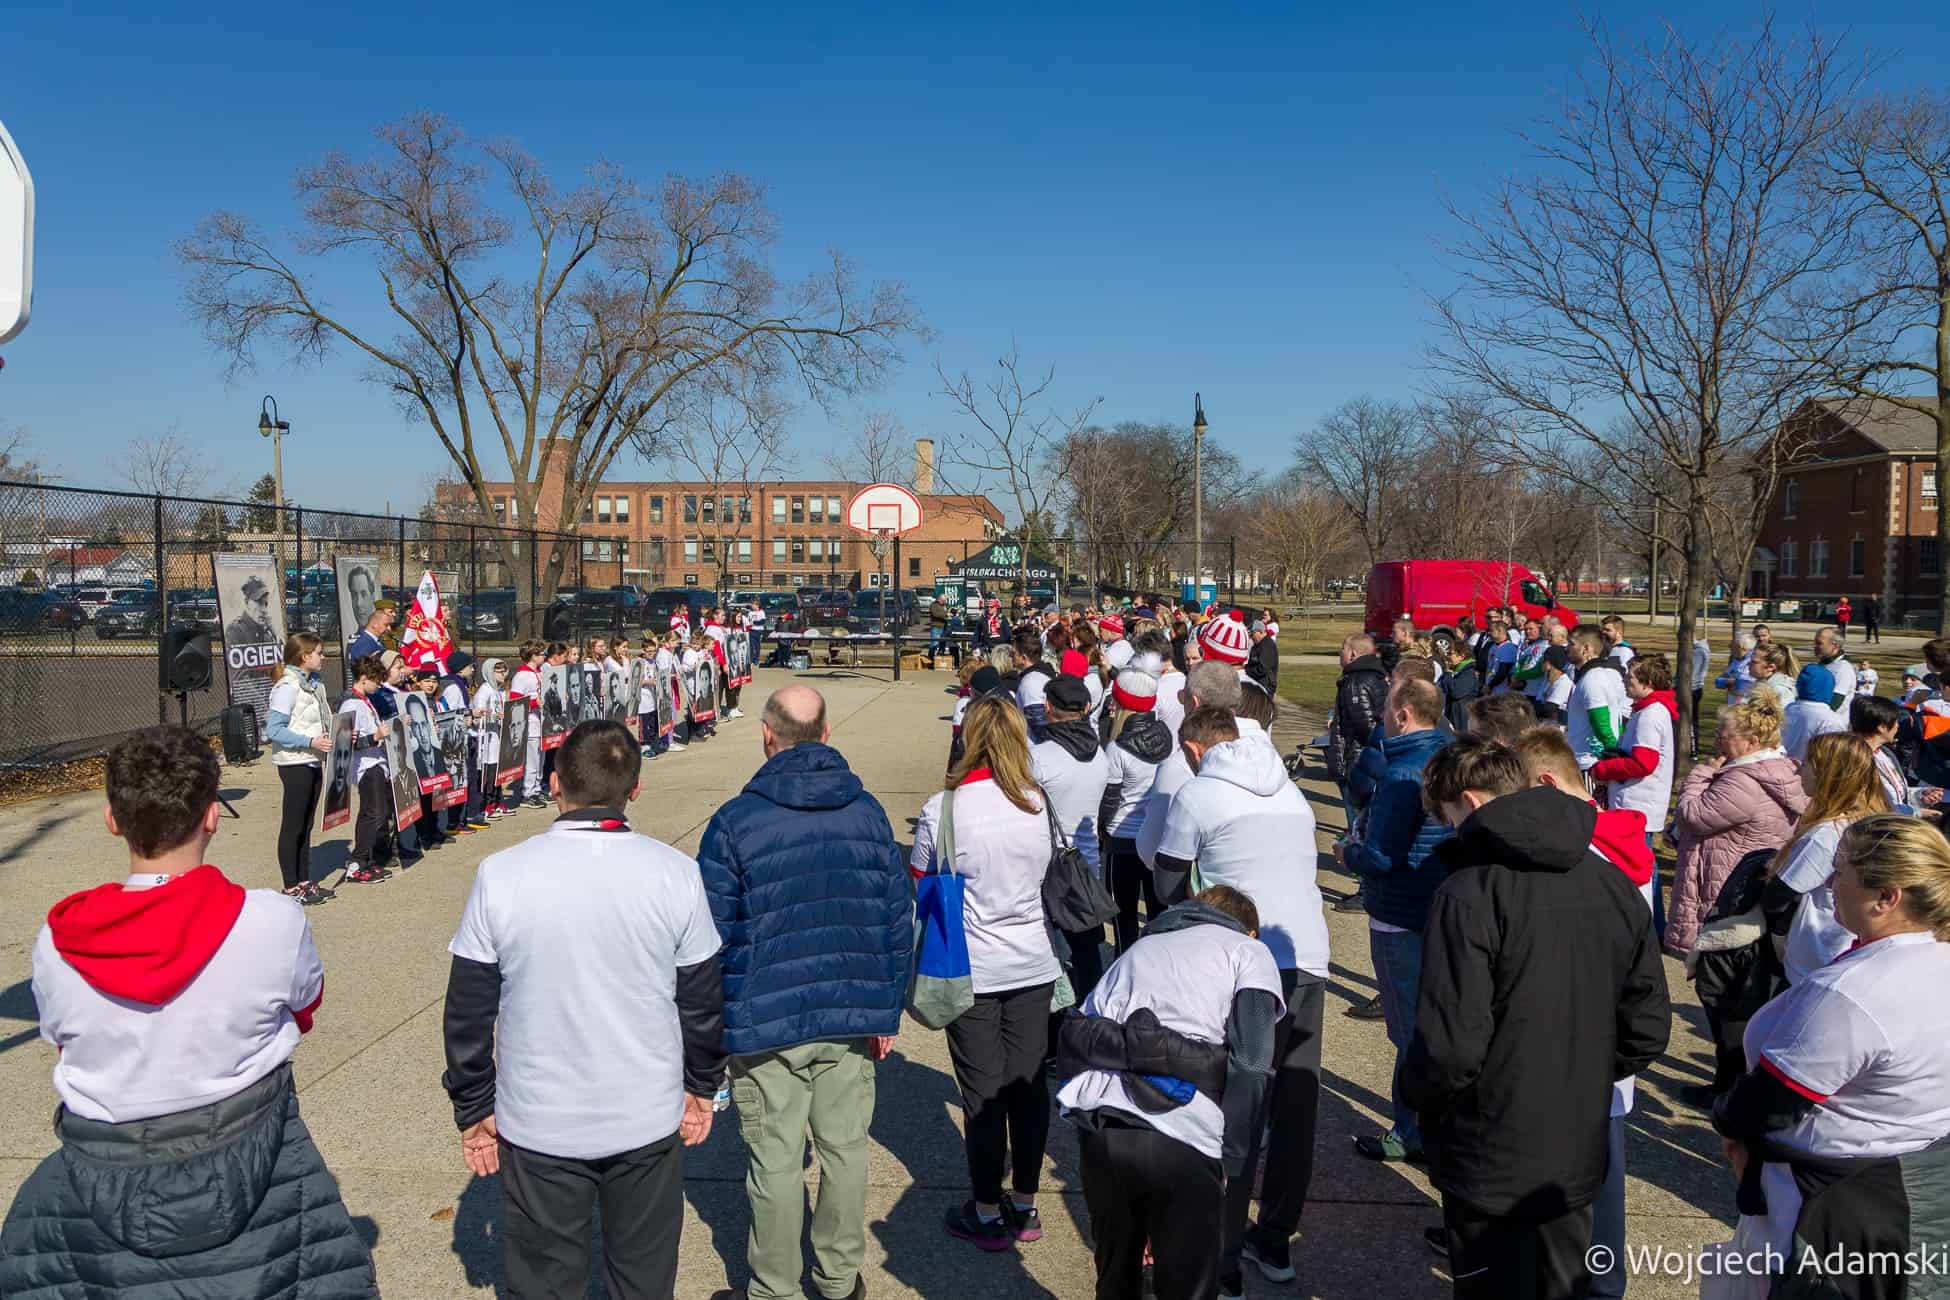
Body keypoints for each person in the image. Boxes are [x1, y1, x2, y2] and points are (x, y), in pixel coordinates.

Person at [0, 726, 376, 1296]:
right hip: (257, 1152)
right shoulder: (272, 921)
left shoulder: (57, 943)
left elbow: (60, 1036)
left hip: (102, 1165)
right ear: (212, 816)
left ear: (113, 819)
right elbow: (305, 1006)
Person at [441, 720, 727, 1299]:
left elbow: (468, 1010)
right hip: (645, 1115)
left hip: (539, 1119)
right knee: (643, 1279)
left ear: (555, 783)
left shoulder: (502, 874)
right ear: (635, 789)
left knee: (543, 1284)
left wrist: (473, 1104)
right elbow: (702, 1000)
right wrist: (702, 1083)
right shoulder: (675, 873)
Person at [1404, 738, 1670, 1300]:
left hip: (1486, 1149)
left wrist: (1422, 1096)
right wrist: (1581, 1071)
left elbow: (1450, 1047)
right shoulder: (1612, 881)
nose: (1449, 832)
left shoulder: (1469, 892)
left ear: (1469, 803)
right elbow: (1646, 1025)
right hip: (1575, 1148)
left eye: (1447, 818)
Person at [694, 686, 907, 1300]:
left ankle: (776, 1286)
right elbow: (897, 918)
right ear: (827, 733)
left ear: (768, 735)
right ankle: (838, 1279)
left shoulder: (736, 821)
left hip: (765, 1019)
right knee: (845, 1149)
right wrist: (887, 1008)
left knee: (776, 1160)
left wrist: (708, 1028)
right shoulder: (867, 813)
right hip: (849, 1012)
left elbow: (708, 934)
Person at [1711, 814, 1950, 1279]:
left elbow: (1770, 1103)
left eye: (1840, 872)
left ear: (1887, 897)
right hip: (1918, 1190)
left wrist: (1728, 1120)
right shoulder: (1934, 959)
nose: (1828, 883)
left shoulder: (1853, 992)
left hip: (1825, 1208)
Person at [1152, 707, 1328, 1293]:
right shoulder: (1289, 789)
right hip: (1306, 954)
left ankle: (1222, 1258)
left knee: (1237, 1105)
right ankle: (1275, 1237)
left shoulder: (1198, 794)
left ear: (1194, 751)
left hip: (1244, 962)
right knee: (1295, 1105)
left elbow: (1167, 885)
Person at [1056, 885, 1282, 1300]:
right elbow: (1252, 1063)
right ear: (1250, 930)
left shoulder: (1139, 949)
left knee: (1114, 1278)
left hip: (1104, 1127)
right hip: (1185, 1134)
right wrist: (1231, 1156)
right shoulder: (1249, 952)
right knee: (1188, 1287)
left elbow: (1077, 1038)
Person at [1512, 725, 1658, 1300]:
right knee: (1601, 1193)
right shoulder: (1625, 842)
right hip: (1603, 1054)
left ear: (1548, 785)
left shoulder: (1578, 854)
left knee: (1583, 1197)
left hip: (1573, 1051)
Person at [911, 695, 1060, 1251]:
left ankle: (986, 1207)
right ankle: (1025, 1200)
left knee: (982, 1093)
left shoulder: (944, 808)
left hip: (970, 966)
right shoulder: (1037, 803)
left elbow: (921, 880)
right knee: (1028, 1087)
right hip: (1032, 962)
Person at [1341, 679, 1451, 1167]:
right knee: (1431, 1024)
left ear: (1403, 715)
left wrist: (1348, 853)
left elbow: (1382, 857)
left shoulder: (1402, 773)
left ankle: (1411, 1131)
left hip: (1400, 914)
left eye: (1386, 708)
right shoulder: (1448, 754)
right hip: (1440, 910)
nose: (1382, 716)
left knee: (1407, 1031)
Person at [1766, 732, 1891, 987]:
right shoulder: (1871, 819)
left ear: (1829, 774)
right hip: (1845, 953)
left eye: (1808, 763)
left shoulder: (1827, 834)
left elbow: (1778, 895)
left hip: (1813, 957)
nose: (1799, 769)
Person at [1032, 675, 1114, 1003]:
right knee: (1086, 951)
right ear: (1087, 707)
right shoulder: (1100, 755)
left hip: (1049, 867)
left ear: (1047, 707)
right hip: (1086, 865)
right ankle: (1089, 1014)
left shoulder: (1040, 757)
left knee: (1048, 951)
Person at [1099, 668, 1174, 954]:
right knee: (1158, 912)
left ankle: (1124, 962)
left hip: (1122, 839)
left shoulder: (1117, 749)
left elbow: (1109, 800)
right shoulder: (1168, 738)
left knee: (1123, 916)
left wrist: (1100, 830)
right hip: (1156, 836)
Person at [265, 631, 336, 906]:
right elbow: (274, 730)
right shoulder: (287, 686)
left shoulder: (315, 685)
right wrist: (309, 741)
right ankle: (291, 887)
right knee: (293, 825)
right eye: (318, 653)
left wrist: (338, 733)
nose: (323, 657)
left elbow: (321, 719)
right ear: (304, 656)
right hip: (294, 762)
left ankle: (304, 881)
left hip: (313, 759)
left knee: (306, 825)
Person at [338, 654, 400, 883]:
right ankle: (358, 862)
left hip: (376, 763)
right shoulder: (351, 704)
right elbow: (347, 742)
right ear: (364, 678)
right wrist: (375, 736)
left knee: (377, 813)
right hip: (366, 766)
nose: (378, 685)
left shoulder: (365, 701)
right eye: (375, 681)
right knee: (373, 814)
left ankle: (367, 860)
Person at [1565, 625, 1627, 771]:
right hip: (1586, 761)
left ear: (1586, 649)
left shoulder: (1592, 679)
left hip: (1591, 763)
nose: (1567, 648)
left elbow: (1602, 723)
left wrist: (1614, 755)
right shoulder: (1594, 675)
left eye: (1572, 644)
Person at [1783, 663, 1847, 760]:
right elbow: (1832, 758)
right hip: (1809, 768)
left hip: (1781, 765)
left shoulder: (1789, 708)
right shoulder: (1831, 720)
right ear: (1828, 687)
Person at [1812, 626, 1856, 716]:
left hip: (1831, 721)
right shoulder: (1824, 664)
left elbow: (1835, 702)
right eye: (1815, 643)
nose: (1815, 646)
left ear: (1835, 646)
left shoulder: (1842, 668)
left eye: (1819, 643)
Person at [225, 573, 277, 648]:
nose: (264, 610)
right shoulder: (235, 630)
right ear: (246, 602)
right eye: (259, 602)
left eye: (265, 604)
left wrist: (272, 631)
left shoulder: (268, 631)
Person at [346, 595, 397, 663]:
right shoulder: (363, 644)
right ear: (375, 624)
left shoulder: (376, 640)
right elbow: (364, 667)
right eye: (386, 625)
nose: (389, 628)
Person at [1247, 619, 1279, 691]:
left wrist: (1246, 671)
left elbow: (1262, 669)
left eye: (1252, 634)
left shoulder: (1267, 646)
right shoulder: (1257, 644)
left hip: (1265, 686)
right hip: (1257, 683)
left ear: (1261, 631)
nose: (1251, 637)